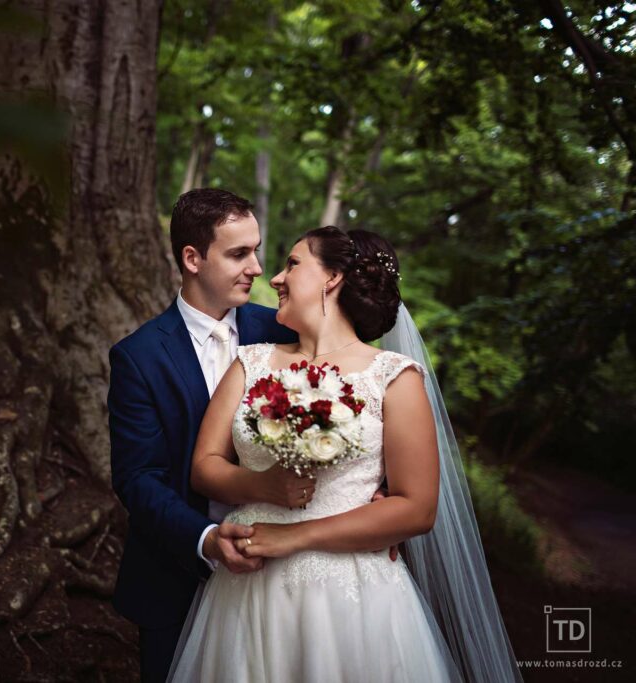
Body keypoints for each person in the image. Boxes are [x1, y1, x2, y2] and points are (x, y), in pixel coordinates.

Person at [168, 226, 521, 682]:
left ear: (332, 277)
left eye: (292, 264)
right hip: (248, 585)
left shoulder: (394, 377)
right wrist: (260, 485)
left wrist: (291, 537)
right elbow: (204, 467)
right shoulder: (250, 362)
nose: (275, 278)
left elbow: (417, 508)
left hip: (351, 592)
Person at [108, 188, 308, 683]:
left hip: (281, 573)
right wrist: (206, 540)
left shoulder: (284, 331)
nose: (258, 267)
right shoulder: (138, 357)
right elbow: (139, 479)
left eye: (257, 249)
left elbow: (350, 409)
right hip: (177, 574)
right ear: (192, 258)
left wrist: (373, 486)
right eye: (239, 253)